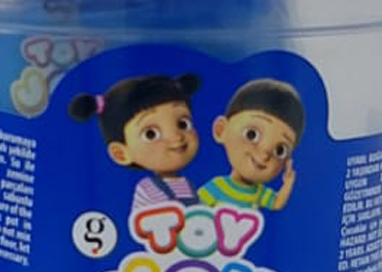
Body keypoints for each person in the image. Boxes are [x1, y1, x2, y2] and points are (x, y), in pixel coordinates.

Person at [69, 74, 201, 211]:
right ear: (121, 153)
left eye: (183, 124)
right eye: (151, 134)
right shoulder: (148, 189)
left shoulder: (186, 184)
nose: (176, 137)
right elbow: (145, 220)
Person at [198, 78, 304, 211]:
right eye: (251, 134)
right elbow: (196, 208)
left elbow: (277, 203)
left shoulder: (259, 192)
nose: (264, 154)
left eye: (280, 150)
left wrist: (288, 182)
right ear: (221, 130)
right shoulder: (217, 186)